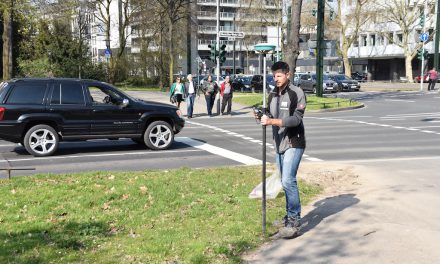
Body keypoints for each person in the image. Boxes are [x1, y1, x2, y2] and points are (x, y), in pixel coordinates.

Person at [257, 61, 306, 238]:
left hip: (294, 142)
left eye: (279, 75)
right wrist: (262, 116)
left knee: (288, 180)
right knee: (284, 182)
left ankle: (294, 220)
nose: (275, 78)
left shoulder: (297, 93)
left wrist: (272, 121)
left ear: (288, 75)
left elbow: (296, 119)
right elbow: (270, 115)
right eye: (274, 75)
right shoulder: (272, 94)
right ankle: (289, 217)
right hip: (279, 143)